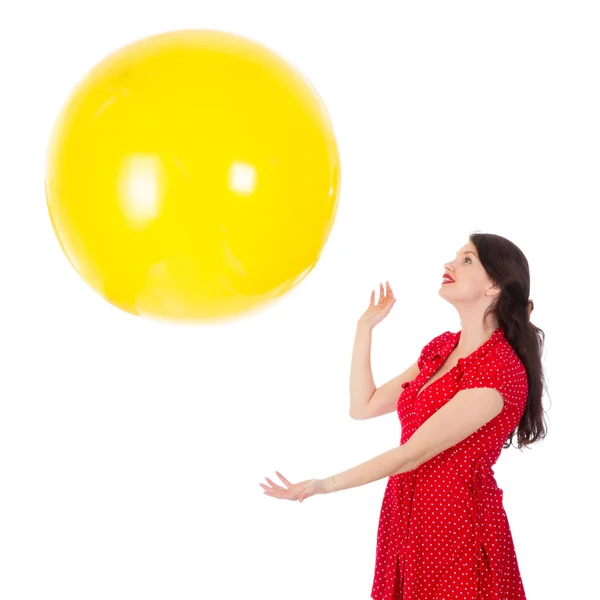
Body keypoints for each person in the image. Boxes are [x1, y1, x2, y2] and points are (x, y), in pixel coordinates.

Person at [259, 232, 548, 600]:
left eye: (467, 260)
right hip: (405, 517)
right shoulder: (443, 348)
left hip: (454, 529)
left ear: (494, 285)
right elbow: (363, 406)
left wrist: (323, 485)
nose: (450, 264)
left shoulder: (498, 371)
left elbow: (411, 453)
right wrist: (364, 329)